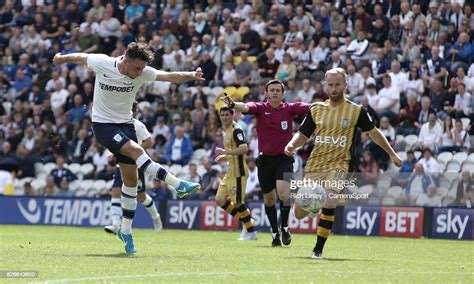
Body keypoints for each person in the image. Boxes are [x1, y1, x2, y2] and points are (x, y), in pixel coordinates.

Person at [53, 42, 203, 254]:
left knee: (131, 181)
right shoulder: (103, 63)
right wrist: (62, 58)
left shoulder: (141, 73)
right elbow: (81, 57)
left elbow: (169, 76)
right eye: (136, 68)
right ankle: (176, 183)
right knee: (137, 151)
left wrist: (191, 75)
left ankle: (126, 231)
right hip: (103, 125)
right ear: (125, 59)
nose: (139, 72)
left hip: (126, 125)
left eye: (142, 69)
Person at [284, 68, 402, 259]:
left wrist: (393, 154)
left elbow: (374, 133)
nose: (334, 88)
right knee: (298, 213)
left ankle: (318, 250)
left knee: (330, 197)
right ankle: (314, 205)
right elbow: (303, 134)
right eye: (330, 84)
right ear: (325, 85)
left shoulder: (356, 111)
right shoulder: (316, 109)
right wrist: (291, 144)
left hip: (341, 165)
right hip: (315, 166)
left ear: (345, 85)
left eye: (337, 84)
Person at [222, 79, 310, 247]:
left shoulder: (289, 109)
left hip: (284, 158)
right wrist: (234, 104)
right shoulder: (261, 108)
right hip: (265, 161)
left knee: (284, 194)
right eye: (272, 90)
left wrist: (327, 104)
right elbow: (246, 107)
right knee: (269, 201)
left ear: (283, 94)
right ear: (266, 93)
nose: (275, 92)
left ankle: (284, 227)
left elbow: (310, 107)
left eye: (278, 90)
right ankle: (274, 232)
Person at [104, 102, 162, 235]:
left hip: (136, 164)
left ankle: (155, 217)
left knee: (141, 196)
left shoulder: (138, 125)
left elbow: (149, 141)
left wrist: (135, 152)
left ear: (134, 111)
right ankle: (115, 224)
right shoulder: (117, 125)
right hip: (121, 164)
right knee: (115, 191)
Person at [214, 106, 257, 241]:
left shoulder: (236, 129)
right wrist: (225, 157)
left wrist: (225, 152)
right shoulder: (226, 130)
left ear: (232, 115)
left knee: (238, 203)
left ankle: (251, 232)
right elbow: (234, 151)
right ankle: (248, 221)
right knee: (220, 200)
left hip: (238, 173)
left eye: (227, 114)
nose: (224, 117)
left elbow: (243, 148)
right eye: (222, 115)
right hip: (230, 171)